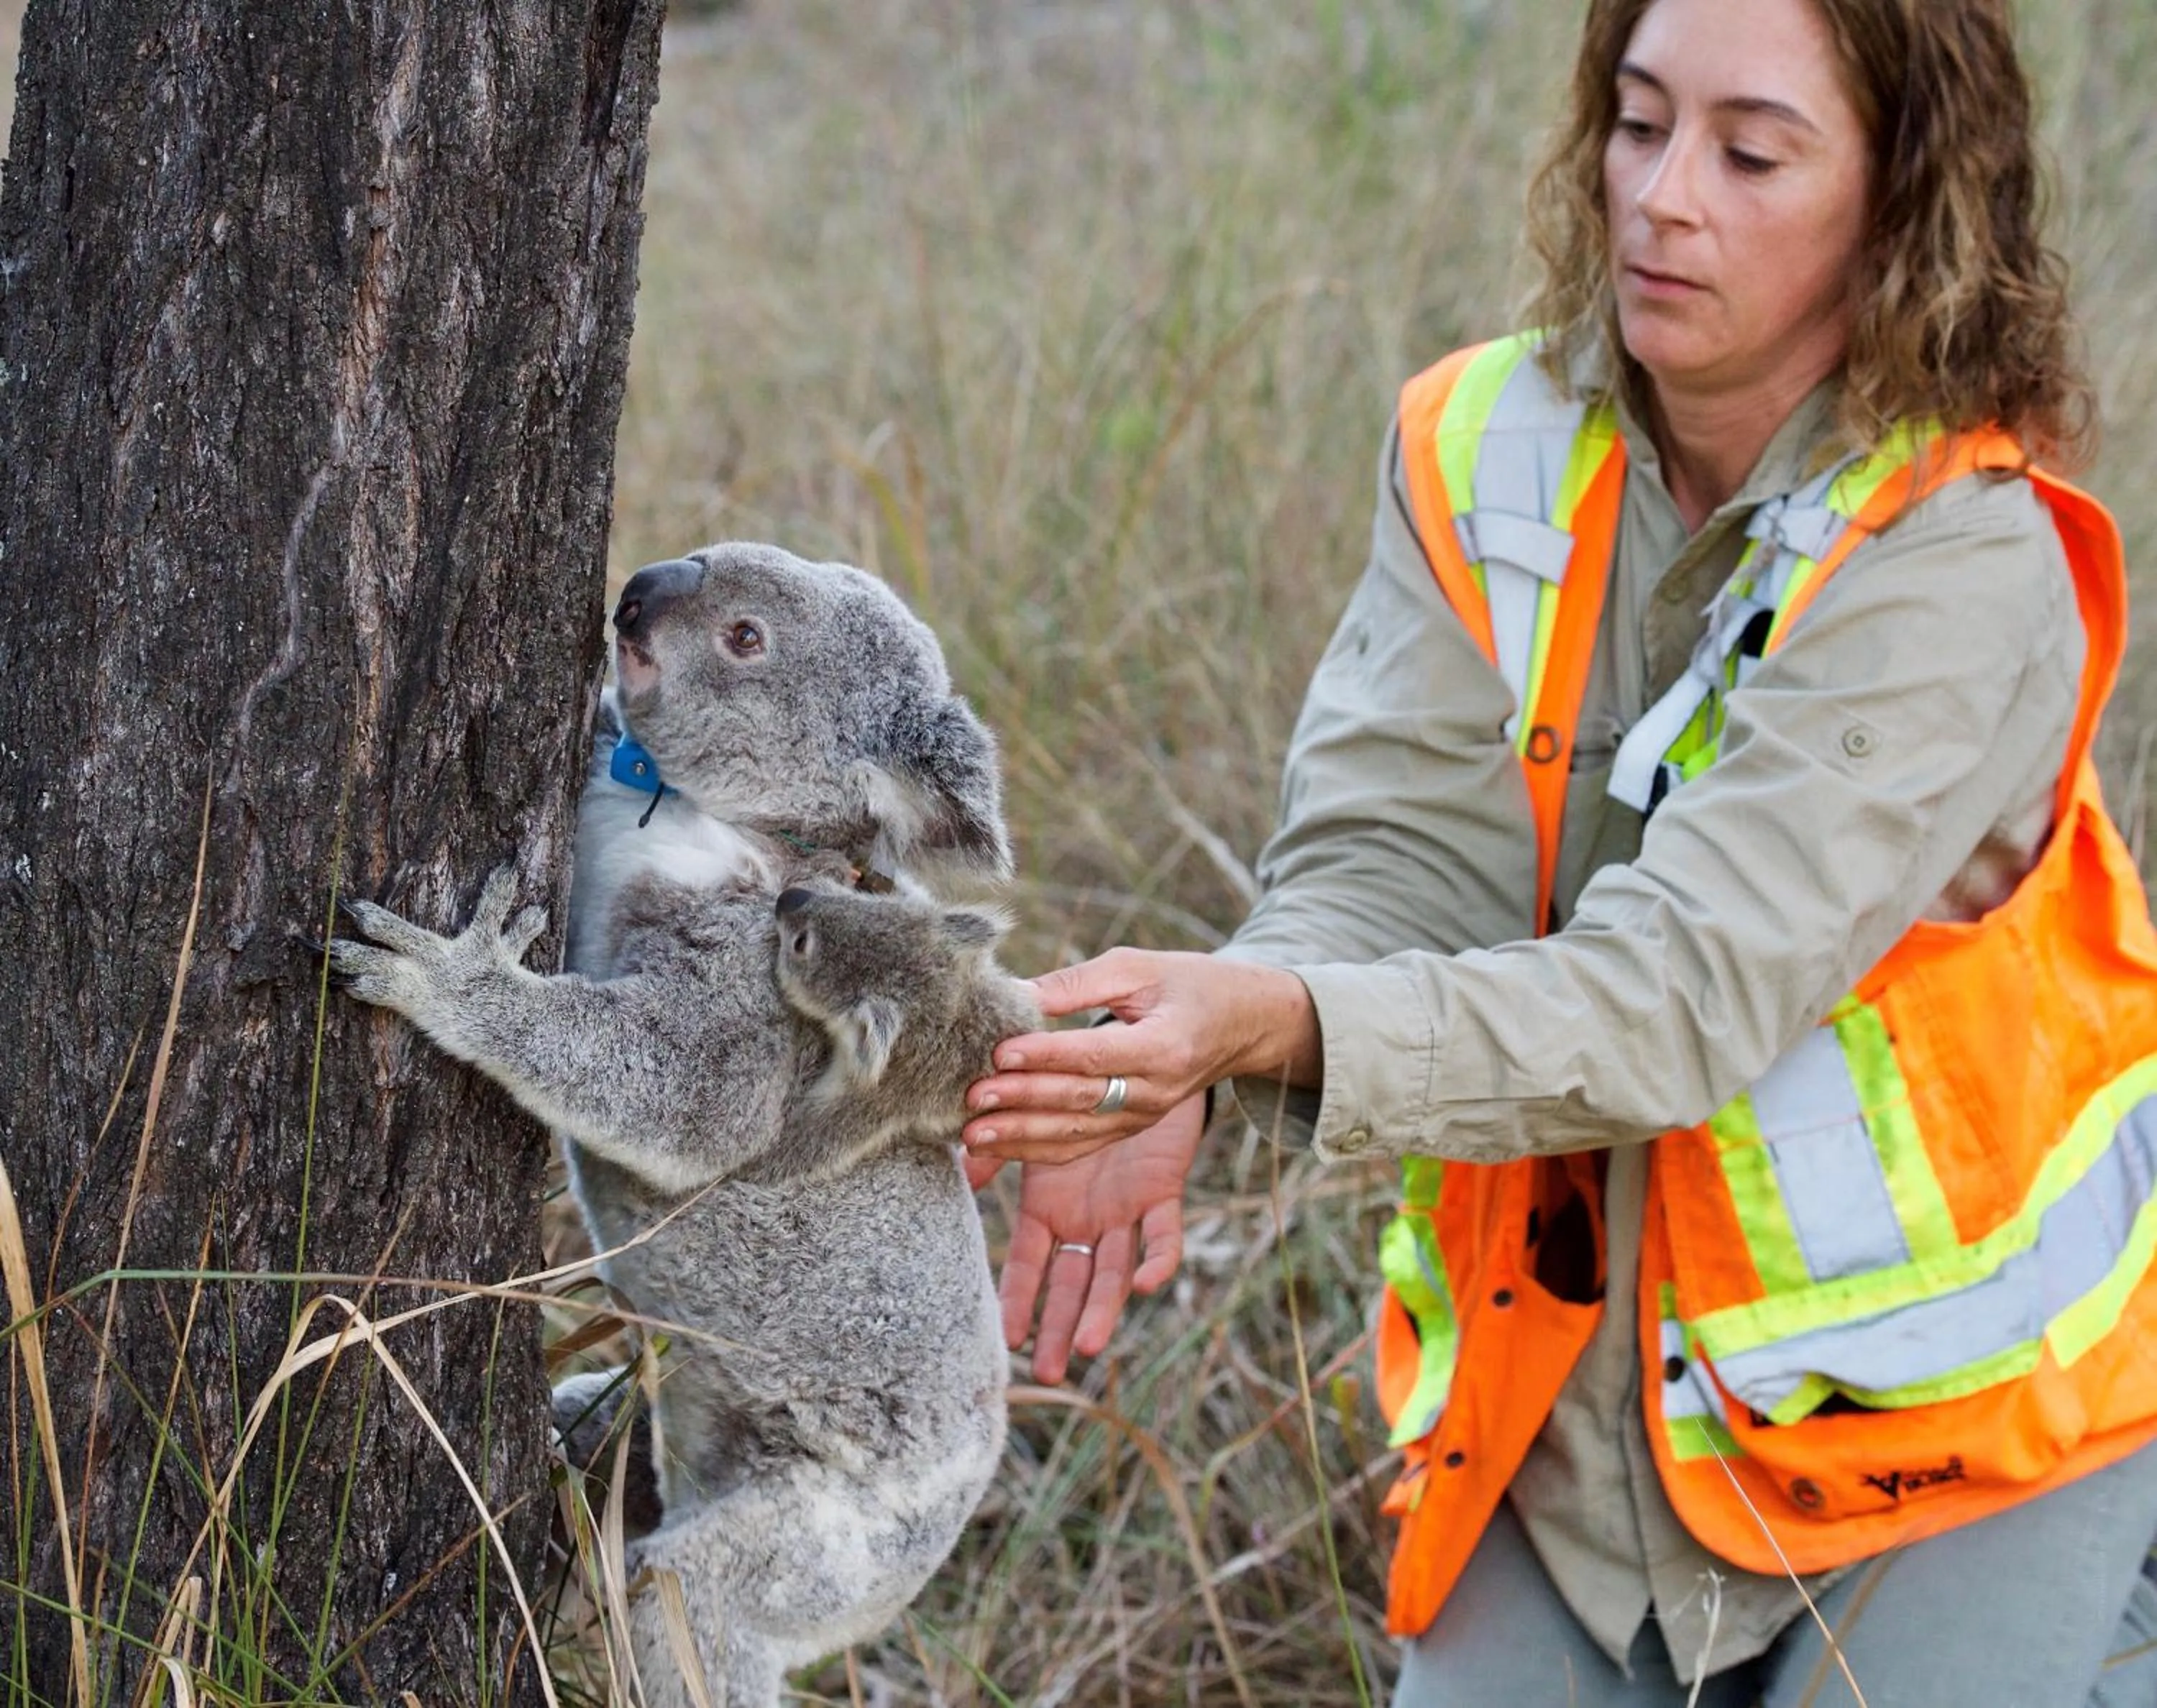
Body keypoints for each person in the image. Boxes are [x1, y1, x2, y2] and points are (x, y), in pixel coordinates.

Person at [958, 0, 2157, 1702]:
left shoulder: (1959, 549)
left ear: (1905, 205)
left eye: (1751, 153)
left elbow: (1674, 1001)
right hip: (1571, 1419)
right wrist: (1190, 1051)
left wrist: (1278, 1032)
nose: (1663, 197)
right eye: (1638, 121)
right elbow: (1394, 860)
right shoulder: (1480, 443)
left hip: (1966, 1433)